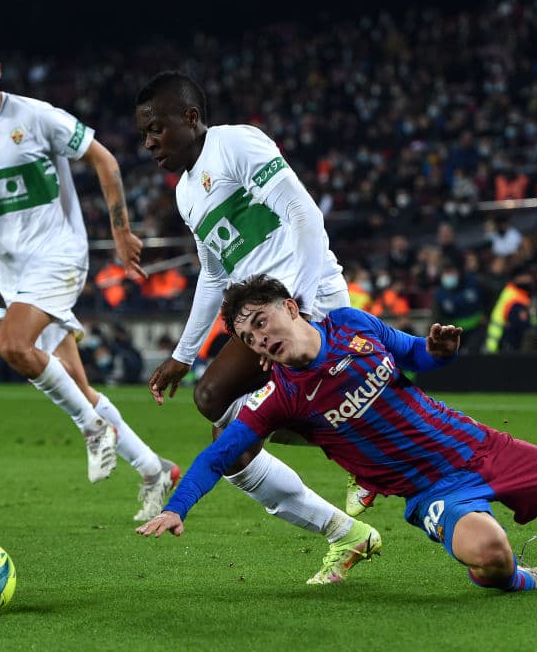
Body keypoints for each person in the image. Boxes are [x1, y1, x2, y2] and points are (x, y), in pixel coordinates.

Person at [137, 274, 537, 591]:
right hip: (435, 491)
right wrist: (180, 504)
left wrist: (438, 351)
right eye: (251, 339)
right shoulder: (280, 399)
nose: (261, 340)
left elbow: (417, 357)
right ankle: (528, 580)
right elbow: (219, 456)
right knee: (488, 556)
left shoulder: (354, 325)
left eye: (262, 323)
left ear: (290, 306)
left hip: (480, 446)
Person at [134, 70, 380, 582]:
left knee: (215, 401)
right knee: (236, 440)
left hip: (306, 298)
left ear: (191, 118)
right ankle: (346, 529)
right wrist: (183, 352)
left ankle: (358, 455)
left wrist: (297, 301)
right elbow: (214, 273)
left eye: (156, 128)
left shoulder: (236, 144)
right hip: (260, 317)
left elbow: (303, 213)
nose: (149, 142)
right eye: (143, 134)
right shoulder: (185, 194)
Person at [0, 31, 177, 521]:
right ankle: (154, 470)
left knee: (12, 346)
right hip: (11, 269)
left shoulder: (35, 117)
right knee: (73, 380)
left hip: (59, 252)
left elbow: (104, 159)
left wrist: (121, 232)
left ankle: (92, 429)